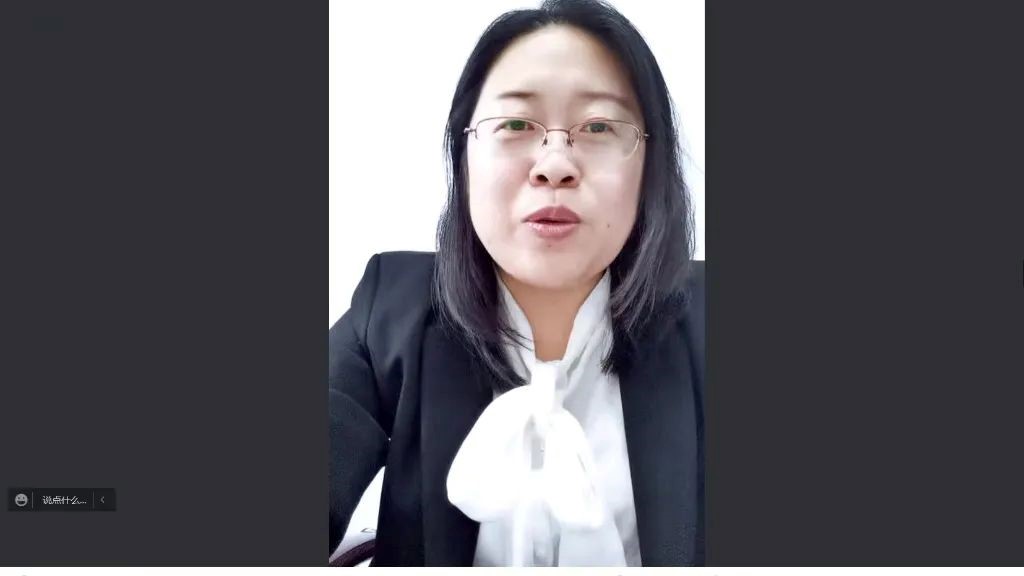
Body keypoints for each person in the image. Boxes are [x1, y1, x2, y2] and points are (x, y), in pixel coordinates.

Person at [329, 0, 704, 566]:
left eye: (599, 126)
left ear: (650, 165)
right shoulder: (389, 310)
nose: (555, 164)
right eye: (515, 125)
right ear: (464, 157)